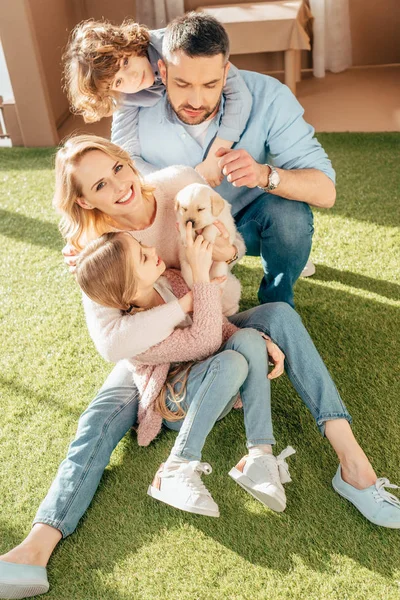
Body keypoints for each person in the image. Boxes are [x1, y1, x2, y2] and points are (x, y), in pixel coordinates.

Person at [1, 135, 399, 600]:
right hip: (158, 350)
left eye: (117, 169)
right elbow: (113, 343)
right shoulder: (96, 249)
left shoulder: (178, 187)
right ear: (84, 200)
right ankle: (36, 546)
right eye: (100, 185)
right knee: (99, 419)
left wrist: (219, 255)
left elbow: (231, 255)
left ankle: (354, 468)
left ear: (127, 161)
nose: (119, 186)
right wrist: (186, 298)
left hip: (216, 320)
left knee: (282, 318)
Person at [109, 11, 336, 306]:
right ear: (163, 72)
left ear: (227, 73)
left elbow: (326, 192)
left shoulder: (270, 96)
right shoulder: (134, 101)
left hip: (249, 220)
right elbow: (120, 174)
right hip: (179, 228)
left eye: (210, 84)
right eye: (182, 84)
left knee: (289, 218)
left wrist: (265, 175)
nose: (195, 101)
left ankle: (277, 299)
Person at [75, 228, 296, 518]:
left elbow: (217, 326)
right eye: (142, 256)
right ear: (128, 291)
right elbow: (203, 341)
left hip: (214, 384)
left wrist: (262, 343)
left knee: (249, 340)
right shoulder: (136, 336)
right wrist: (201, 277)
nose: (152, 250)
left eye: (143, 244)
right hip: (176, 403)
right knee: (232, 363)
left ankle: (259, 455)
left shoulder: (171, 281)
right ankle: (176, 467)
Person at [63, 18, 252, 187]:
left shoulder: (171, 46)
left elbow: (239, 94)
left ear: (130, 45)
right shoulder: (126, 93)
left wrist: (214, 159)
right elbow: (124, 152)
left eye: (126, 63)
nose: (133, 78)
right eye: (119, 81)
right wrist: (175, 182)